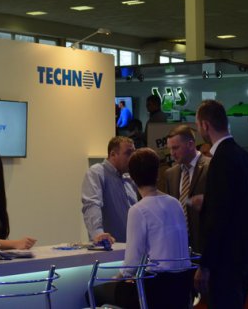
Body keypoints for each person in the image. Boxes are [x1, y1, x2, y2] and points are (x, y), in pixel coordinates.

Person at [90, 148, 193, 309]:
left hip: (154, 290)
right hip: (182, 287)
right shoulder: (175, 203)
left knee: (92, 292)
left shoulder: (138, 210)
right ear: (157, 174)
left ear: (131, 176)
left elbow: (131, 264)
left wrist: (116, 277)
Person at [194, 100, 248, 309]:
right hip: (247, 248)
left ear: (205, 125)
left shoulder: (220, 159)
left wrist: (206, 263)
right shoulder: (244, 155)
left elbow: (219, 216)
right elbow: (240, 201)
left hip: (228, 253)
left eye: (198, 125)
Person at [81, 136, 138, 243]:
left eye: (133, 153)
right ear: (112, 154)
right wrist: (98, 233)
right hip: (109, 248)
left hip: (131, 247)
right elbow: (92, 204)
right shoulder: (97, 173)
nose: (132, 157)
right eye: (128, 153)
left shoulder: (129, 179)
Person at [164, 125, 209, 253]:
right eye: (170, 149)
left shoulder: (212, 167)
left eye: (175, 148)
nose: (172, 153)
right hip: (178, 246)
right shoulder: (170, 174)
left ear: (190, 144)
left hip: (206, 244)